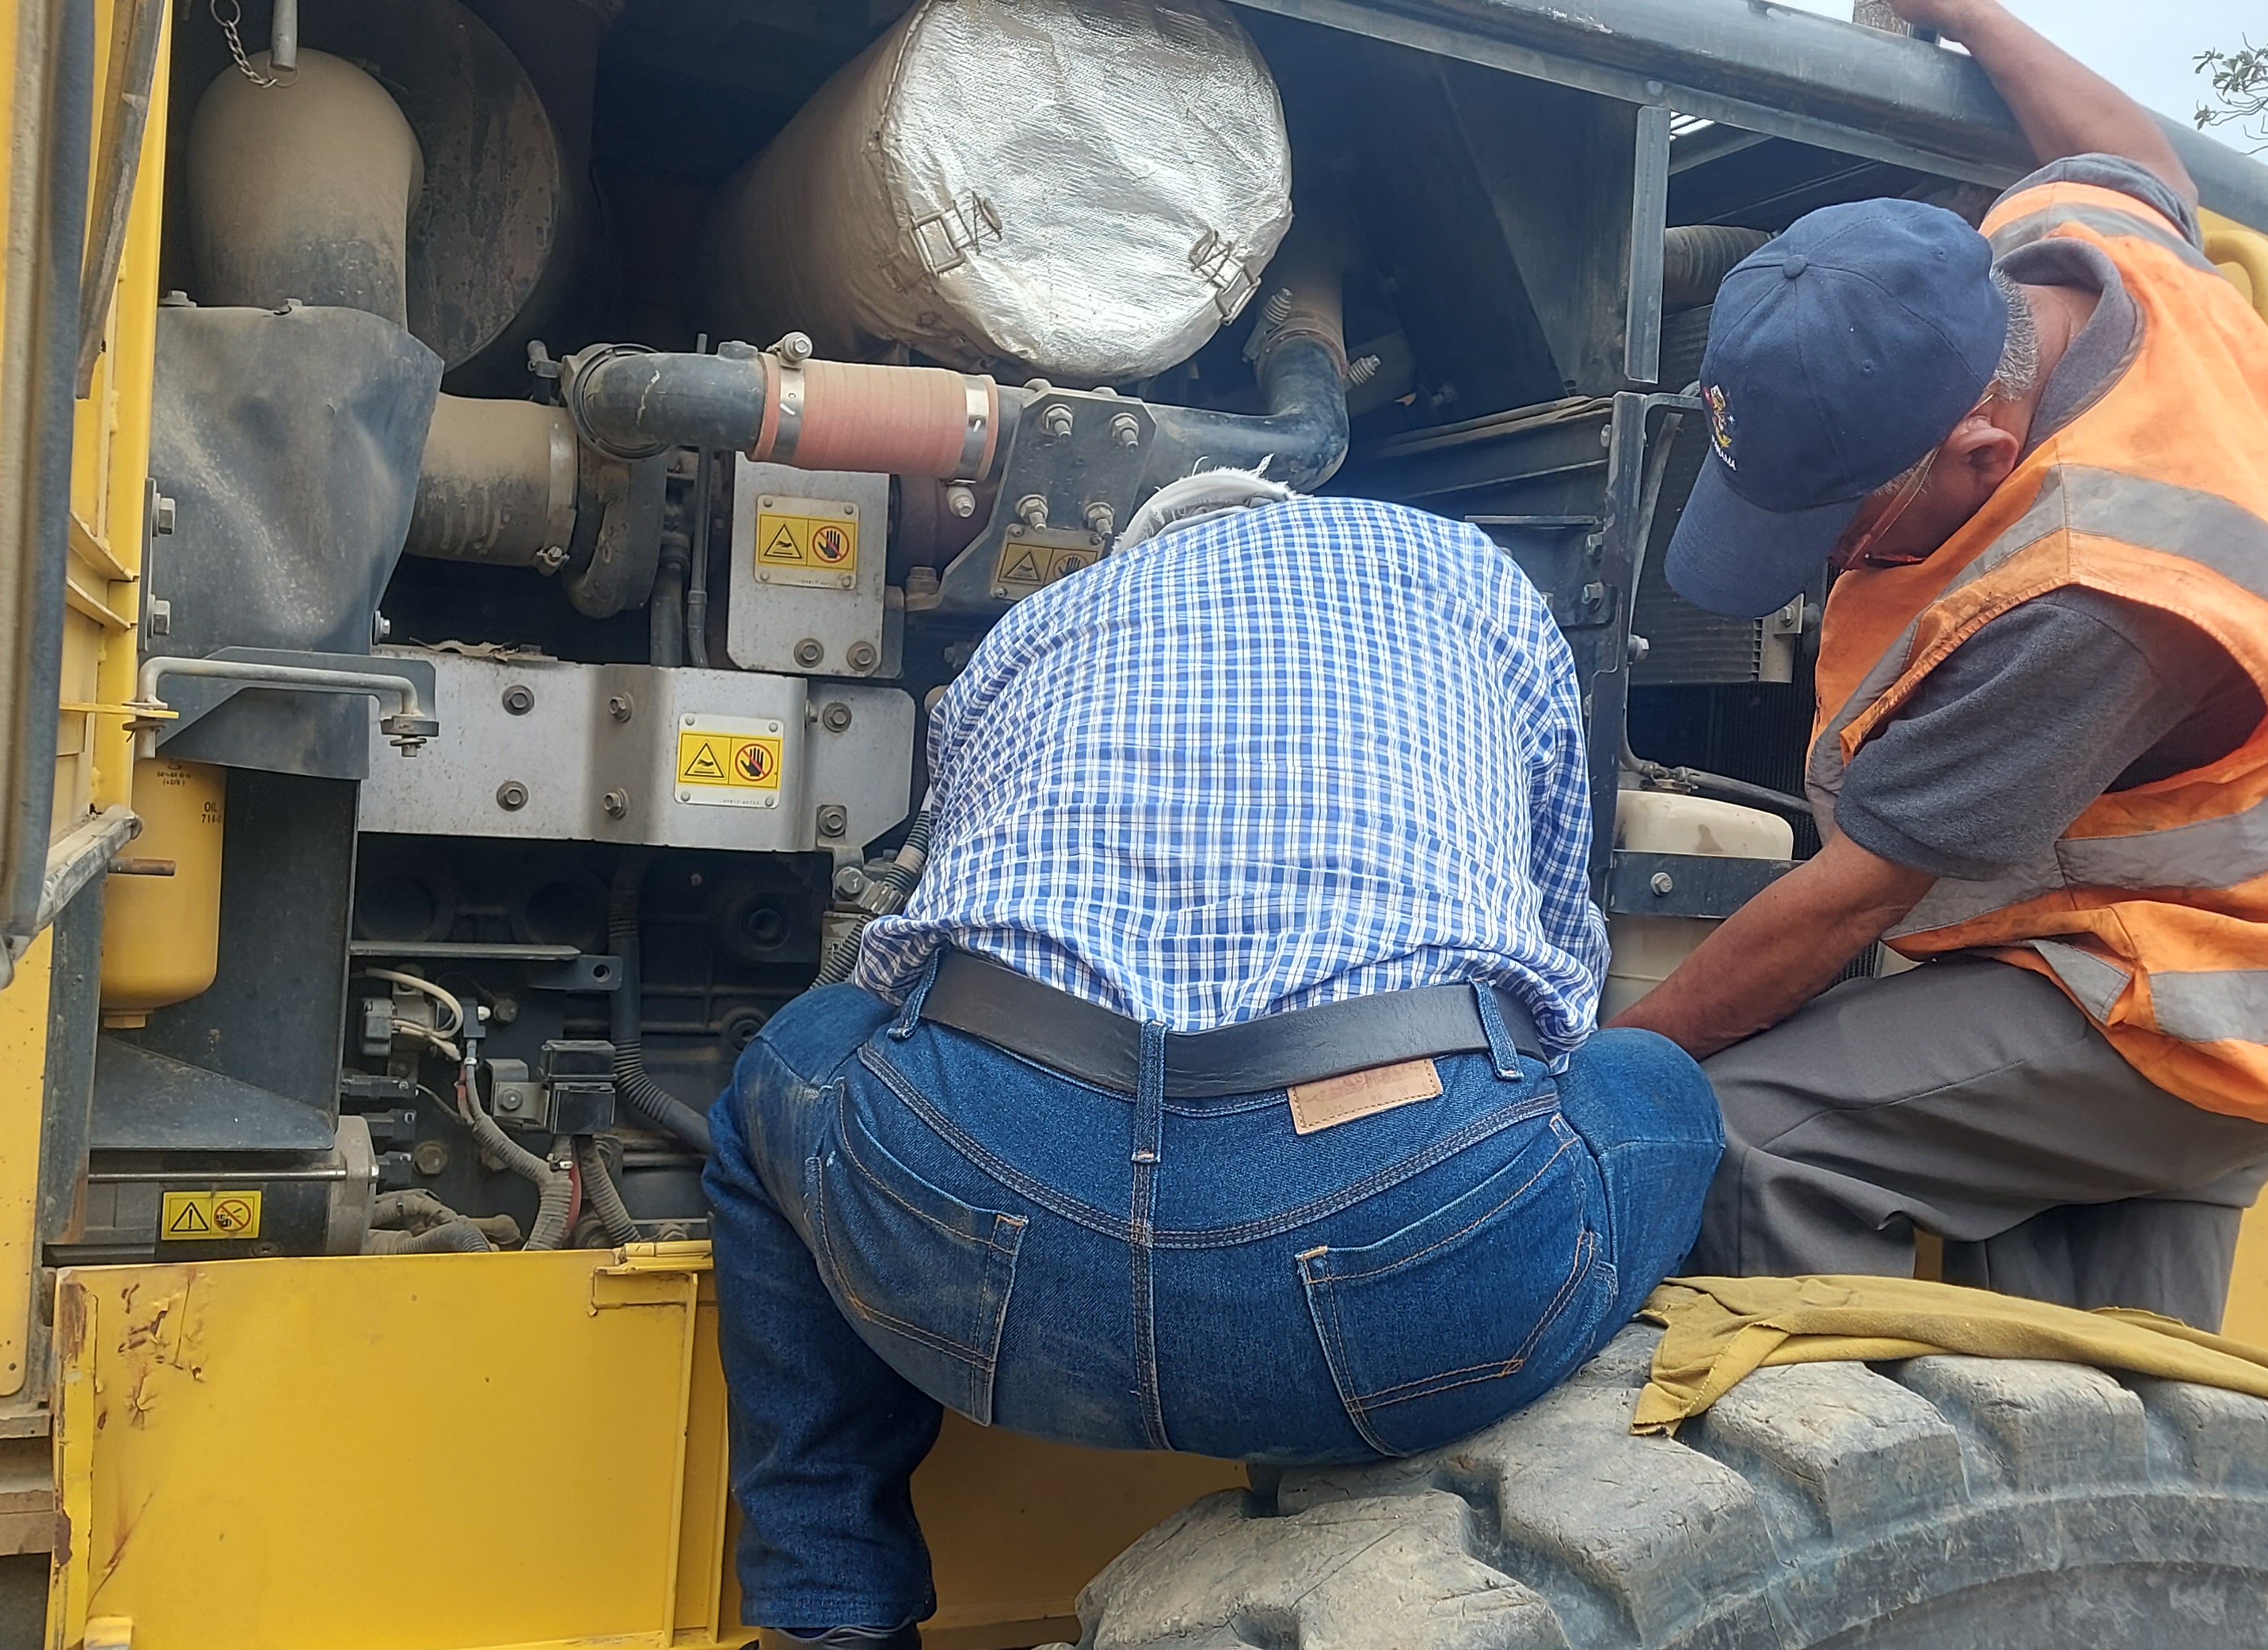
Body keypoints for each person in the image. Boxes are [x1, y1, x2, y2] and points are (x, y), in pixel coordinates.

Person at [702, 470, 1722, 1650]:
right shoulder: (1477, 584)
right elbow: (1559, 973)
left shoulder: (1035, 628)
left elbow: (912, 947)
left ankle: (827, 1611)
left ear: (1141, 556)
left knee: (782, 1074)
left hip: (996, 1280)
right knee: (1663, 1090)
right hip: (1405, 1289)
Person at [1615, 0, 2268, 1327]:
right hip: (2210, 918)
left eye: (1840, 531)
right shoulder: (2065, 268)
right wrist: (1965, 13)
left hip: (2234, 987)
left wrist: (1607, 1072)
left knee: (1751, 1135)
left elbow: (1848, 903)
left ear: (1982, 453)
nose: (1829, 570)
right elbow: (2138, 157)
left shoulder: (2096, 588)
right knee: (2098, 1381)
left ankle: (1831, 1452)